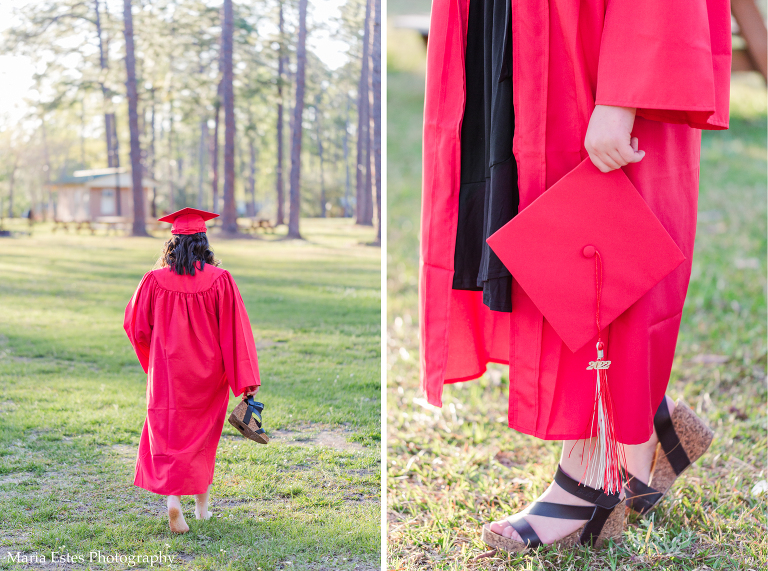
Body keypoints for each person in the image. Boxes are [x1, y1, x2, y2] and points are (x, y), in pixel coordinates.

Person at [419, 0, 731, 551]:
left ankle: (593, 475)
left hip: (591, 35)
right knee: (543, 239)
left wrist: (624, 92)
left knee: (592, 244)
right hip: (511, 26)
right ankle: (645, 424)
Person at [124, 207, 260, 534]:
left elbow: (135, 326)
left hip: (167, 376)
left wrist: (154, 358)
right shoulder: (220, 280)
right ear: (203, 242)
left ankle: (174, 501)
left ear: (172, 243)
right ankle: (202, 509)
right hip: (209, 375)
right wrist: (246, 381)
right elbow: (236, 332)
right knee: (203, 439)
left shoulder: (153, 280)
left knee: (169, 437)